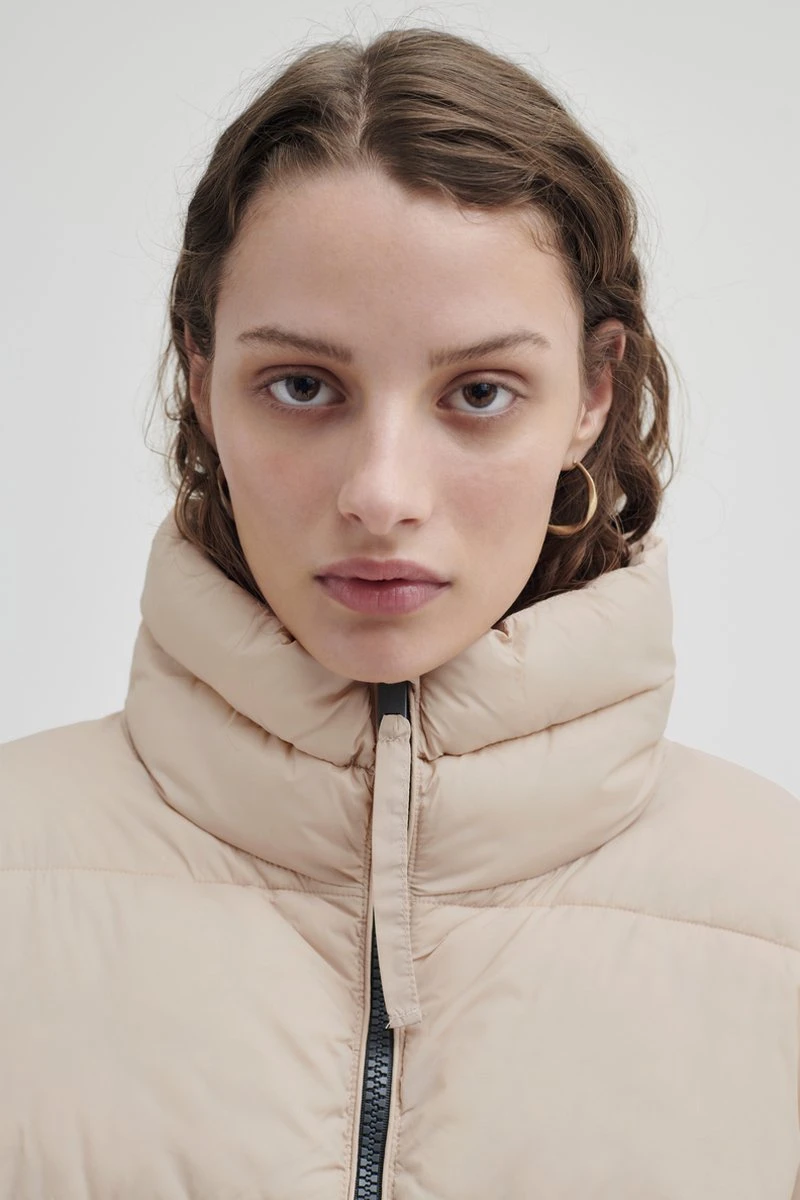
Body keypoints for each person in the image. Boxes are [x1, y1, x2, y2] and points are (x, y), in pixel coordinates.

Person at [1, 24, 798, 1200]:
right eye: (302, 386)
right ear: (203, 379)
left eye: (477, 392)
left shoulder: (778, 912)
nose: (380, 495)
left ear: (590, 392)